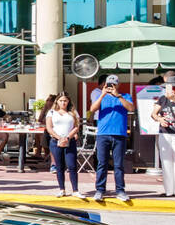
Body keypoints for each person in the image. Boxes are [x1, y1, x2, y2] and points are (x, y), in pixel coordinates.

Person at [89, 74, 134, 203]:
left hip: (119, 134)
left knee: (119, 165)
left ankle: (120, 190)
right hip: (103, 134)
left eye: (113, 85)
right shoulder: (100, 97)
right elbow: (92, 109)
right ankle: (100, 190)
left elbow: (131, 108)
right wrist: (103, 94)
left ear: (118, 85)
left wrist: (118, 95)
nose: (110, 87)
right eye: (108, 84)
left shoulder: (125, 96)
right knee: (102, 163)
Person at [45, 93, 83, 197]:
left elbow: (76, 126)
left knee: (72, 165)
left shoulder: (73, 112)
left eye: (65, 101)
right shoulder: (51, 112)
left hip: (69, 141)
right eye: (61, 100)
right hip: (55, 141)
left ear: (68, 102)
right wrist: (58, 137)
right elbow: (49, 127)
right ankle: (62, 189)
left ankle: (75, 190)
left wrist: (67, 138)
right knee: (59, 166)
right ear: (57, 101)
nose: (63, 103)